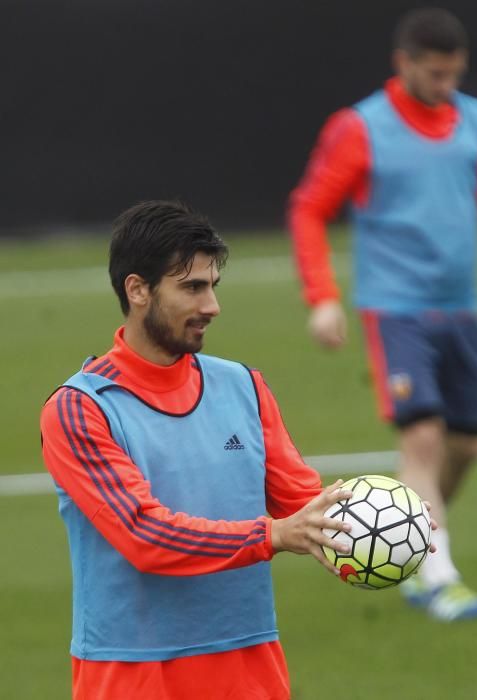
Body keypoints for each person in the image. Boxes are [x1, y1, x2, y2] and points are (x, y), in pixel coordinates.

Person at [40, 200, 357, 700]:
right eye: (192, 287)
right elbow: (144, 534)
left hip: (249, 663)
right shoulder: (80, 409)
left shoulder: (243, 386)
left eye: (212, 286)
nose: (212, 306)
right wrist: (271, 535)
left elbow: (304, 502)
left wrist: (387, 518)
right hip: (134, 672)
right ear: (138, 289)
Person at [288, 7, 477, 622]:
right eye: (434, 75)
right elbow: (310, 208)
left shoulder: (475, 120)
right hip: (396, 309)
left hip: (462, 309)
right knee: (421, 437)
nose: (446, 87)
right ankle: (439, 576)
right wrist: (322, 297)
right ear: (404, 64)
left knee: (467, 444)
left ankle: (414, 548)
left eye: (454, 75)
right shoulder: (361, 127)